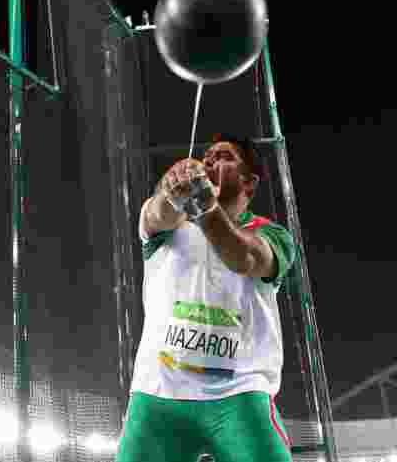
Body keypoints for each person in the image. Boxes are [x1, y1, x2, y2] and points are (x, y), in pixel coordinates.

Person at [116, 134, 297, 462]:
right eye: (207, 156)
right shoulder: (171, 227)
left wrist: (206, 209)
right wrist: (170, 193)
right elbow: (154, 214)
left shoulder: (271, 234)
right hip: (159, 394)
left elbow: (246, 259)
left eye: (224, 157)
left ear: (249, 182)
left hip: (240, 394)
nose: (210, 161)